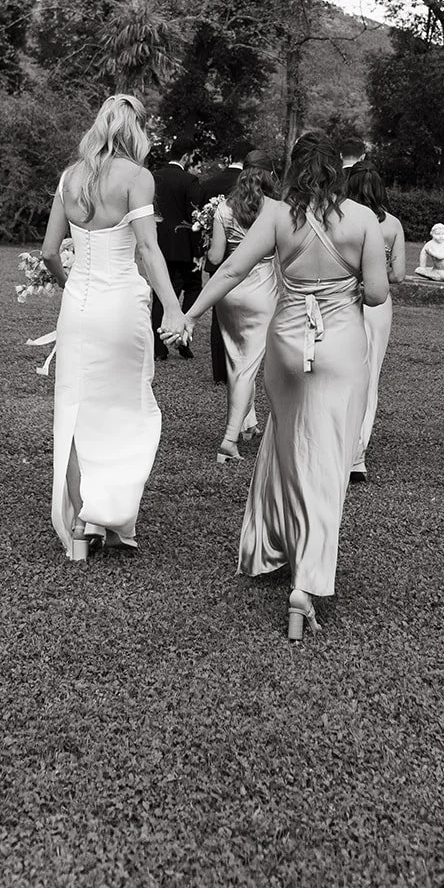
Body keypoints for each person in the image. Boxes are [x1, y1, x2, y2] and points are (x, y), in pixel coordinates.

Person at [175, 130, 389, 641]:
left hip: (287, 343)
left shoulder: (275, 214)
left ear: (294, 169)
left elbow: (230, 267)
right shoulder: (362, 220)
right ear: (338, 170)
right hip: (337, 345)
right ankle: (305, 582)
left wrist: (189, 313)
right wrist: (349, 285)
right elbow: (378, 295)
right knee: (328, 459)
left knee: (286, 444)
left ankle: (269, 543)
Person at [41, 95, 188, 560]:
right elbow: (147, 250)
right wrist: (173, 308)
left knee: (76, 410)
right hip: (122, 306)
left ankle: (83, 525)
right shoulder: (136, 178)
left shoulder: (70, 178)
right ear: (136, 131)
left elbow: (49, 252)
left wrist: (73, 286)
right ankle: (107, 513)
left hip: (78, 309)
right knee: (125, 409)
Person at [207, 150, 279, 461]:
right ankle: (229, 438)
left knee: (237, 360)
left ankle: (249, 422)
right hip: (261, 291)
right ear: (270, 175)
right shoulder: (276, 209)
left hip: (228, 293)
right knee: (247, 366)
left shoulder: (223, 207)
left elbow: (214, 258)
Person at [344, 162, 406, 482]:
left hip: (344, 298)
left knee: (340, 373)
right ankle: (357, 456)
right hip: (379, 306)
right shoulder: (392, 224)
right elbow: (398, 275)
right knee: (371, 377)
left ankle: (336, 446)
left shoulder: (340, 217)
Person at [197, 137, 252, 385]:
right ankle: (243, 367)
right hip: (250, 260)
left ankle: (220, 370)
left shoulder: (210, 184)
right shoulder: (257, 187)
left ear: (230, 158)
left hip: (219, 259)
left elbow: (199, 221)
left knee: (220, 316)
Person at [150, 132, 201, 361]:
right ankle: (182, 335)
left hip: (158, 245)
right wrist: (199, 250)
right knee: (194, 289)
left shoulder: (154, 177)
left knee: (161, 294)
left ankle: (158, 349)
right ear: (188, 156)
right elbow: (195, 217)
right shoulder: (189, 181)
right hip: (184, 247)